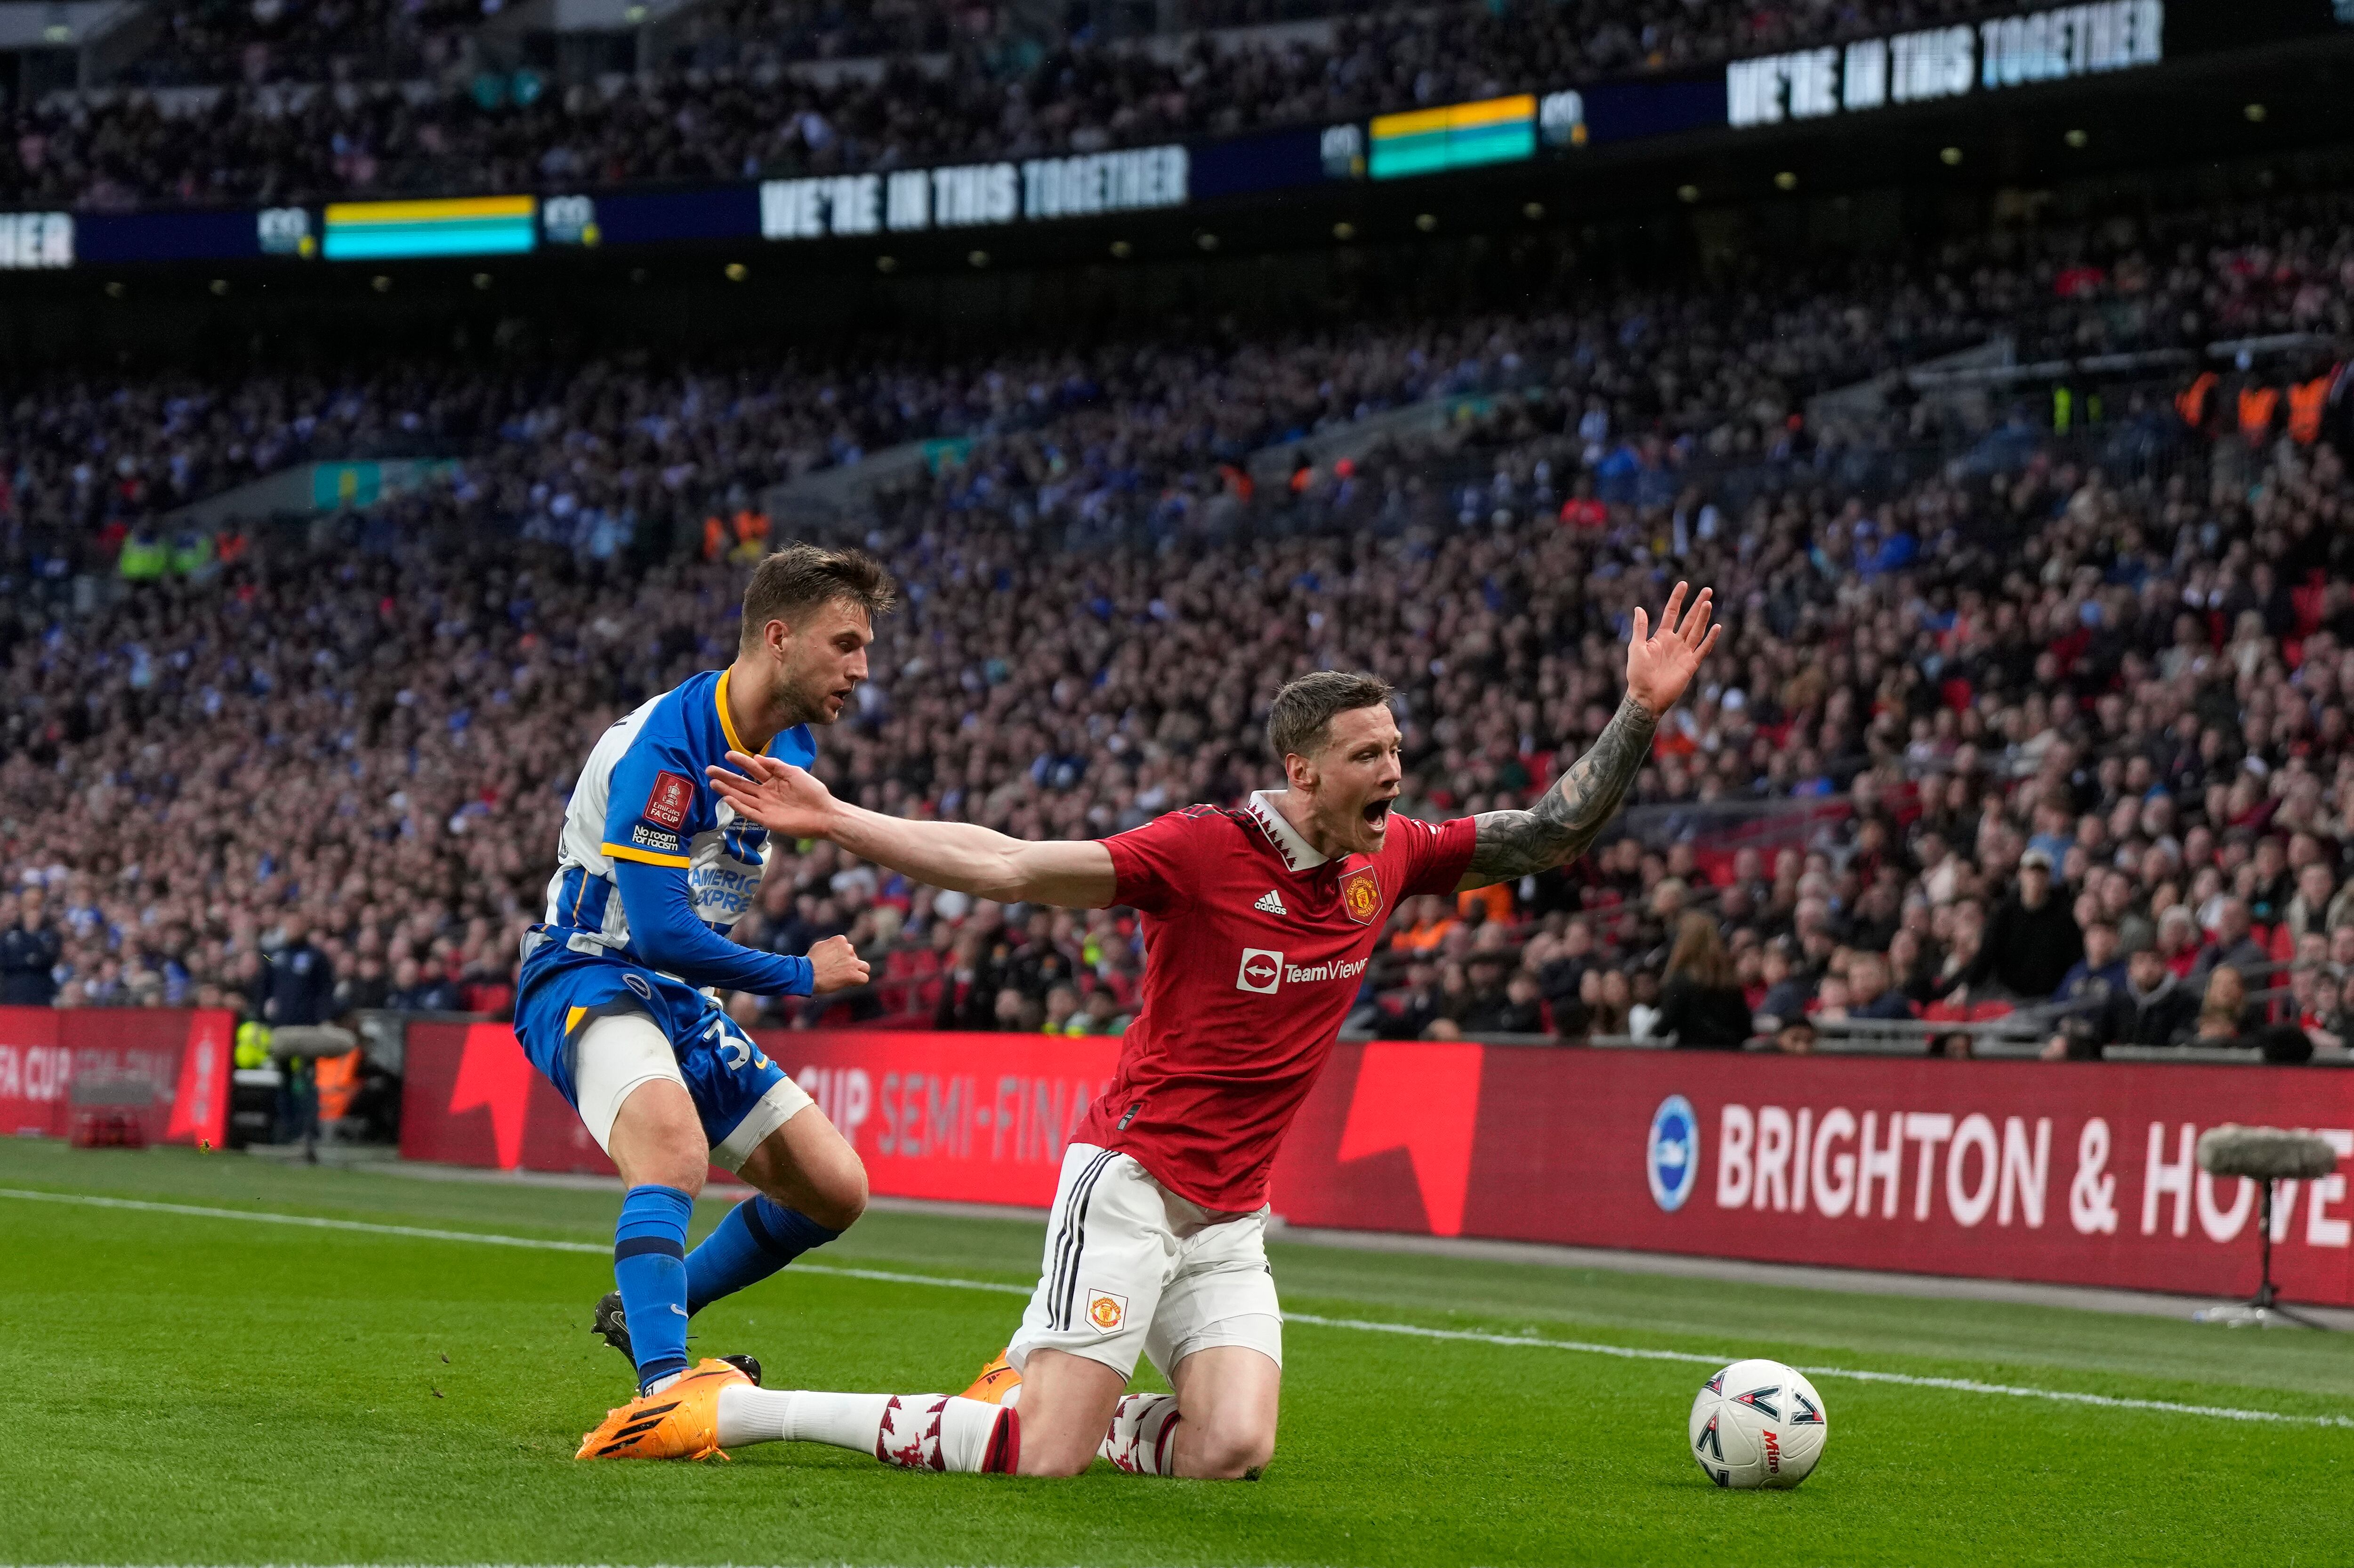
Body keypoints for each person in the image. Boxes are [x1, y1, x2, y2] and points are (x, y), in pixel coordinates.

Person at [655, 582, 1719, 1479]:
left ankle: (1058, 1383)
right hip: (1131, 1180)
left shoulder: (1389, 853)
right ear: (1303, 772)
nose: (1393, 774)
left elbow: (1547, 831)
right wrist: (840, 816)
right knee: (1041, 1460)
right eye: (1366, 756)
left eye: (1396, 749)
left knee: (1233, 1445)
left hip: (1228, 1218)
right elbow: (1012, 862)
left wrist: (1638, 711)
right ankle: (738, 1405)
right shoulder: (1202, 851)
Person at [528, 545, 882, 1441]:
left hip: (679, 993)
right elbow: (656, 932)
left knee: (835, 1190)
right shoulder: (666, 750)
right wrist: (801, 976)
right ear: (778, 637)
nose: (863, 669)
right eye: (844, 644)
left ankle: (649, 1306)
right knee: (674, 1153)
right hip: (591, 969)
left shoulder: (787, 740)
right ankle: (662, 1393)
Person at [1954, 848, 2082, 1000]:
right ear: (2021, 875)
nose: (2036, 878)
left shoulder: (2063, 916)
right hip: (2010, 994)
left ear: (2048, 877)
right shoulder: (2005, 913)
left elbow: (2075, 958)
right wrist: (1967, 986)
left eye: (2041, 873)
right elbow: (1987, 953)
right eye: (2031, 872)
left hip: (2051, 997)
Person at [1649, 912, 1751, 1048]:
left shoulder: (1682, 981)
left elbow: (1665, 1025)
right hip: (1729, 1055)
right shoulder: (1729, 981)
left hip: (1693, 1058)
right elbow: (1745, 1029)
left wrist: (1647, 1034)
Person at [0, 888, 62, 1006]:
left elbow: (49, 958)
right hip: (15, 990)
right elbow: (5, 961)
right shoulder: (9, 935)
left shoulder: (51, 935)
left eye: (37, 906)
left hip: (41, 989)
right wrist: (30, 960)